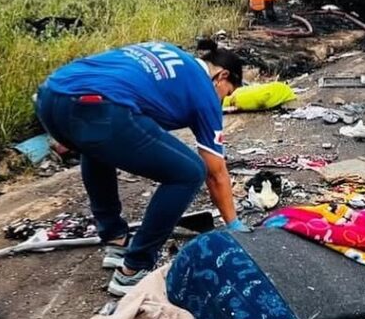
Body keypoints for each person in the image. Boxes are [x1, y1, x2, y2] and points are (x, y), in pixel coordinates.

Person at [35, 38, 248, 296]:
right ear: (222, 75)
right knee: (190, 172)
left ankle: (116, 241)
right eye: (228, 93)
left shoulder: (170, 51)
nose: (223, 101)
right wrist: (234, 225)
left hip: (50, 95)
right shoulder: (204, 90)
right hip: (100, 105)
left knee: (97, 144)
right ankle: (134, 269)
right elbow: (216, 173)